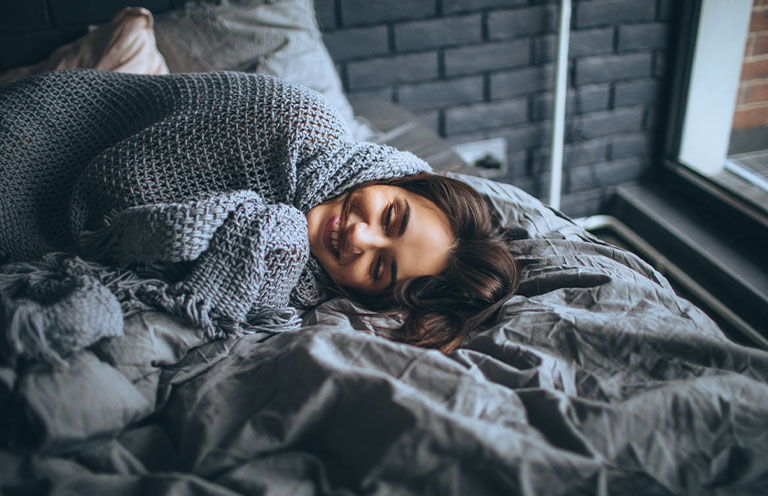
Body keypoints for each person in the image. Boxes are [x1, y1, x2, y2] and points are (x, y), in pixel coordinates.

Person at [0, 69, 517, 361]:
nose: (359, 236)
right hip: (31, 150)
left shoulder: (294, 278)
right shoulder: (291, 123)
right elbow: (106, 194)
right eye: (390, 216)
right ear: (394, 182)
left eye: (379, 266)